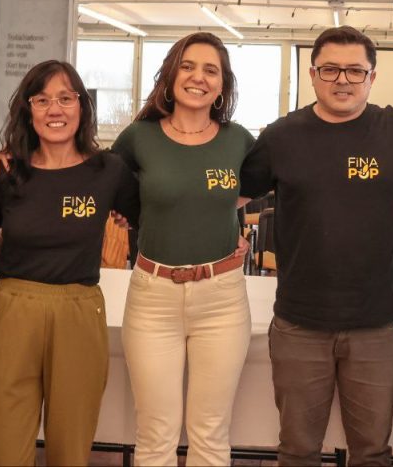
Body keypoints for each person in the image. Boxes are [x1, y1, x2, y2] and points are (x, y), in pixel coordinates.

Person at [240, 26, 393, 466]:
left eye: (354, 70)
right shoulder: (282, 135)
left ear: (372, 77)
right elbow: (235, 195)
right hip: (300, 321)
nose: (342, 80)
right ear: (312, 74)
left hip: (375, 321)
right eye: (330, 69)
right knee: (297, 449)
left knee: (372, 452)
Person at [0, 60, 140, 466]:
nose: (55, 109)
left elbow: (148, 217)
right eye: (42, 100)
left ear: (82, 107)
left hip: (79, 309)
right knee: (6, 440)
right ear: (28, 110)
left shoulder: (109, 171)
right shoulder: (5, 172)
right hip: (13, 308)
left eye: (66, 98)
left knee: (71, 443)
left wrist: (229, 236)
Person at [112, 32, 254, 466]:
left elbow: (255, 187)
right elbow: (105, 185)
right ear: (171, 75)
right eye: (188, 66)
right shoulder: (138, 138)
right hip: (153, 297)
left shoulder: (238, 140)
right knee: (155, 434)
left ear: (223, 85)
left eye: (211, 70)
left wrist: (224, 218)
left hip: (222, 298)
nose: (198, 77)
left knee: (211, 432)